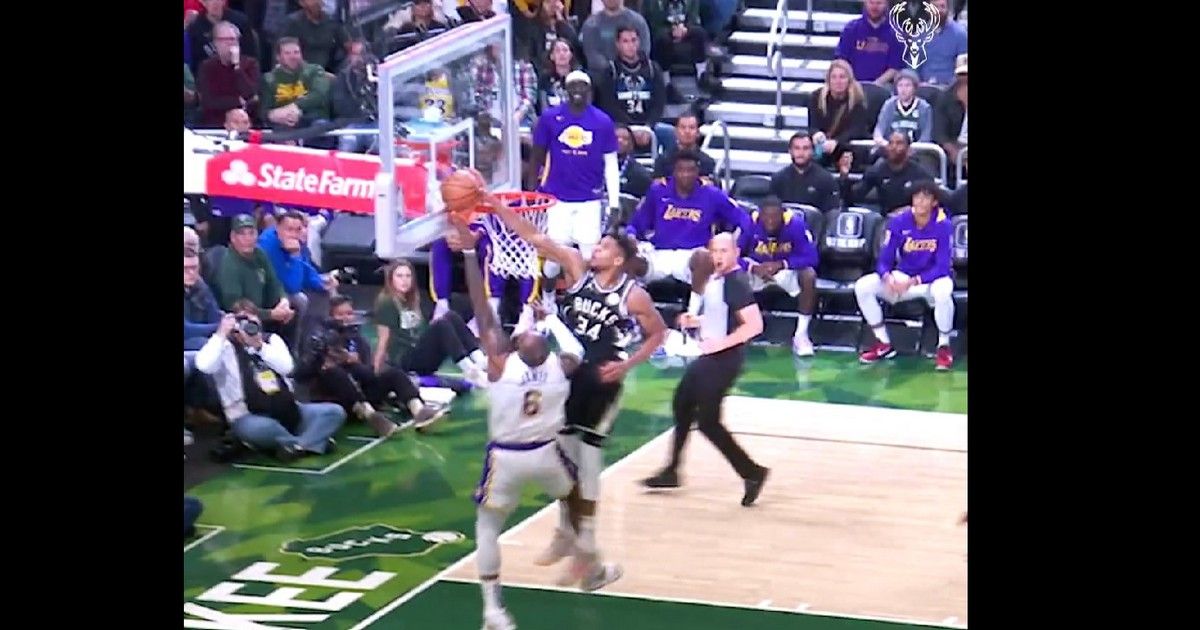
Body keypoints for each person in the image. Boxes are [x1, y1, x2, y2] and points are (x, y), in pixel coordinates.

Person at [474, 191, 668, 590]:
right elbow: (536, 237)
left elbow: (658, 333)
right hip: (566, 376)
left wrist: (627, 365)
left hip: (601, 382)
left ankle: (586, 545)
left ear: (618, 259)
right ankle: (567, 533)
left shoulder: (633, 295)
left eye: (604, 246)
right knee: (562, 458)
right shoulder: (577, 271)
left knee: (588, 464)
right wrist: (495, 205)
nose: (596, 248)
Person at [447, 221, 620, 630]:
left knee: (487, 527)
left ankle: (493, 609)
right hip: (545, 455)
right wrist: (553, 320)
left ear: (513, 346)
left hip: (505, 459)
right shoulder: (561, 368)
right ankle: (590, 563)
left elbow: (482, 307)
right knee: (575, 495)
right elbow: (575, 348)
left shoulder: (499, 365)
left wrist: (471, 253)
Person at [642, 234, 770, 506]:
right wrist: (695, 320)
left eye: (724, 251)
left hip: (724, 359)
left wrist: (720, 343)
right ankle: (672, 470)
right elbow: (720, 316)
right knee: (682, 403)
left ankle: (752, 472)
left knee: (708, 422)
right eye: (714, 251)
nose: (718, 256)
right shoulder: (718, 279)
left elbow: (754, 325)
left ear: (736, 253)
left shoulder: (736, 282)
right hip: (711, 356)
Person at [193, 300, 346, 461]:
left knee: (334, 412)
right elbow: (203, 365)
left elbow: (287, 368)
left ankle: (295, 446)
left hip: (290, 411)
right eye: (242, 321)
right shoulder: (223, 347)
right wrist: (221, 333)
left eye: (251, 321)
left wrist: (260, 346)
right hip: (249, 416)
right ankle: (312, 441)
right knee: (262, 428)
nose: (247, 326)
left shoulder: (271, 340)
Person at [298, 296, 448, 436]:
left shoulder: (358, 341)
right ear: (330, 317)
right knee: (334, 373)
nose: (345, 318)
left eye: (349, 313)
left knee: (394, 374)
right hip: (337, 401)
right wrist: (322, 361)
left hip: (362, 393)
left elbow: (369, 375)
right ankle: (372, 417)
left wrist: (354, 363)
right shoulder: (321, 340)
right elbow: (301, 374)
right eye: (340, 314)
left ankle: (419, 411)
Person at [854, 180, 956, 370]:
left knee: (943, 292)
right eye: (917, 197)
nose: (920, 201)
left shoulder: (943, 224)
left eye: (926, 197)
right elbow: (884, 259)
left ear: (934, 202)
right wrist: (887, 277)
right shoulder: (899, 221)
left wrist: (913, 281)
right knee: (863, 286)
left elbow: (942, 267)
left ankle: (944, 346)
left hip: (932, 280)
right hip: (903, 276)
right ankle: (883, 342)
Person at [530, 70, 621, 281]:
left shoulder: (602, 121)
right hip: (556, 197)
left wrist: (614, 203)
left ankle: (584, 295)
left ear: (589, 90)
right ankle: (549, 297)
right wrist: (532, 190)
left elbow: (611, 163)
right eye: (573, 86)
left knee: (589, 256)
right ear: (565, 89)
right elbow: (537, 154)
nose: (578, 90)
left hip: (589, 198)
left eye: (582, 86)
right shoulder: (550, 118)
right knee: (554, 257)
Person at [372, 259, 489, 385]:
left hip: (420, 353)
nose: (404, 280)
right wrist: (375, 373)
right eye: (399, 276)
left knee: (452, 316)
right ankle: (470, 370)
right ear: (391, 279)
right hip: (405, 360)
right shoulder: (386, 302)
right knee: (441, 325)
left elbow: (418, 331)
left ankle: (481, 360)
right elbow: (383, 339)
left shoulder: (411, 299)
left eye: (408, 276)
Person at [737, 197, 819, 356]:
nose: (770, 221)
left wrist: (782, 264)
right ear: (760, 215)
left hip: (785, 269)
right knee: (732, 274)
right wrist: (753, 267)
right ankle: (741, 329)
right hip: (757, 268)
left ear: (782, 214)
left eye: (774, 217)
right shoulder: (749, 223)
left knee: (809, 275)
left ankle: (801, 335)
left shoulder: (796, 225)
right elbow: (733, 255)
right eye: (766, 217)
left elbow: (812, 258)